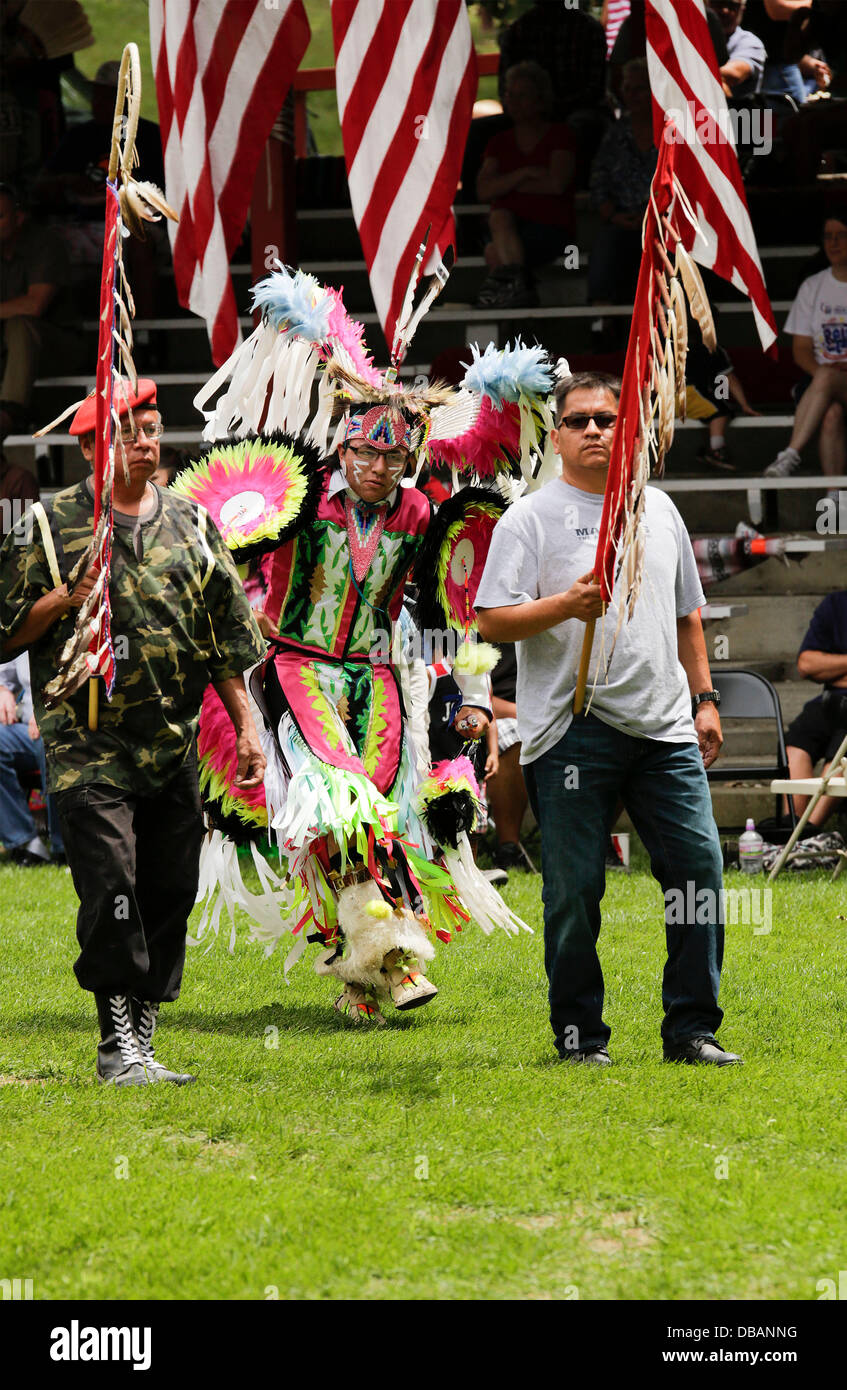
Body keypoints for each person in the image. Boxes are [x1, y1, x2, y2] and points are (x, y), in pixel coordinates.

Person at [0, 377, 268, 1086]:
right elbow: (3, 635)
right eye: (130, 431)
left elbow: (227, 640)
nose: (146, 442)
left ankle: (143, 1039)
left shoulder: (193, 524)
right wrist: (64, 598)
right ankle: (117, 1045)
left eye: (153, 429)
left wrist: (246, 728)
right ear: (92, 445)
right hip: (85, 738)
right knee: (112, 882)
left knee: (168, 888)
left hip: (172, 739)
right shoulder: (49, 525)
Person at [476, 370, 741, 1067]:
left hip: (663, 731)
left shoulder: (658, 510)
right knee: (572, 894)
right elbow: (492, 621)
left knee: (697, 876)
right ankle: (578, 1038)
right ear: (556, 435)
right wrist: (565, 606)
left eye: (608, 419)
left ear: (630, 431)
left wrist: (704, 697)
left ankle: (690, 1030)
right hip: (571, 731)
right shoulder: (528, 519)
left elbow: (688, 612)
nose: (595, 429)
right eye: (580, 420)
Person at [475, 62, 576, 309]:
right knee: (498, 221)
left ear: (540, 99)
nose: (514, 101)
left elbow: (555, 184)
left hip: (550, 228)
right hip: (508, 229)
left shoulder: (560, 135)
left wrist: (505, 184)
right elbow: (483, 190)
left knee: (493, 250)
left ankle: (518, 293)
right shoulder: (499, 142)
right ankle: (522, 291)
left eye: (523, 95)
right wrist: (525, 174)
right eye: (510, 95)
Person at [764, 211, 847, 495]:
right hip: (823, 382)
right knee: (831, 415)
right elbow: (800, 351)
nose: (834, 243)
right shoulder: (813, 286)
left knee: (825, 381)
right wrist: (822, 376)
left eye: (841, 236)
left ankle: (790, 453)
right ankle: (835, 499)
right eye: (828, 237)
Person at [0, 182, 79, 439]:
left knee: (20, 325)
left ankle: (9, 414)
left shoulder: (44, 244)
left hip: (59, 346)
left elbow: (34, 305)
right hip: (9, 353)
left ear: (19, 217)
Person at [587, 58, 657, 338]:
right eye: (627, 89)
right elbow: (598, 180)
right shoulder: (615, 133)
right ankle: (601, 327)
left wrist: (654, 218)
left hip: (664, 224)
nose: (632, 95)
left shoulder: (674, 131)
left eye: (640, 88)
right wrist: (613, 214)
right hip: (621, 220)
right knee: (607, 244)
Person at [783, 588, 847, 831]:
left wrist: (833, 666)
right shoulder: (836, 604)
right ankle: (792, 827)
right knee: (798, 742)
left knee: (842, 753)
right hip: (831, 701)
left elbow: (818, 666)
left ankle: (806, 833)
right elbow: (806, 664)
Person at [0, 650, 63, 864]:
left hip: (63, 724)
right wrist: (3, 689)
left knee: (50, 738)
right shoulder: (23, 624)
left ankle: (64, 848)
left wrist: (48, 710)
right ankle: (26, 843)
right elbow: (5, 673)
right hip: (26, 729)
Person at [708, 0, 767, 98]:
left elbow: (730, 76)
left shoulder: (750, 42)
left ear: (742, 9)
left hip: (739, 111)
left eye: (733, 6)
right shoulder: (692, 38)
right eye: (718, 4)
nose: (725, 11)